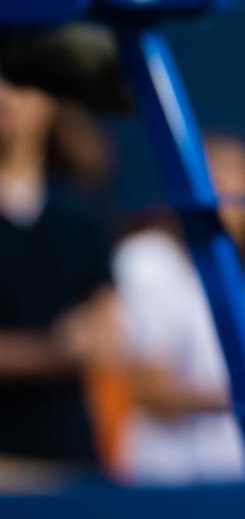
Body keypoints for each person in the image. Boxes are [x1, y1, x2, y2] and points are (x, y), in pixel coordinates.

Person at [113, 134, 245, 485]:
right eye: (215, 175)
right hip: (176, 486)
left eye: (241, 178)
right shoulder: (148, 260)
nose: (229, 190)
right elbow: (149, 386)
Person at [0, 26, 125, 472]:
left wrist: (96, 338)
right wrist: (56, 351)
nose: (8, 97)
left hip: (72, 457)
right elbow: (73, 346)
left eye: (21, 82)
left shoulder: (80, 214)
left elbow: (107, 326)